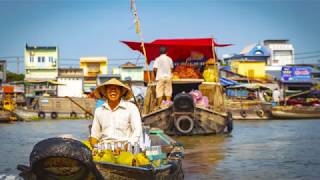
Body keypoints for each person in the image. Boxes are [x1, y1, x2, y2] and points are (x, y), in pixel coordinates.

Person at [89, 78, 142, 147]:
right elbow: (95, 135)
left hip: (125, 149)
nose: (113, 90)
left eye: (116, 88)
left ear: (121, 92)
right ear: (105, 92)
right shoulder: (99, 111)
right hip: (104, 149)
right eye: (110, 88)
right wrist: (93, 144)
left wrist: (130, 144)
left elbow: (137, 131)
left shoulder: (131, 108)